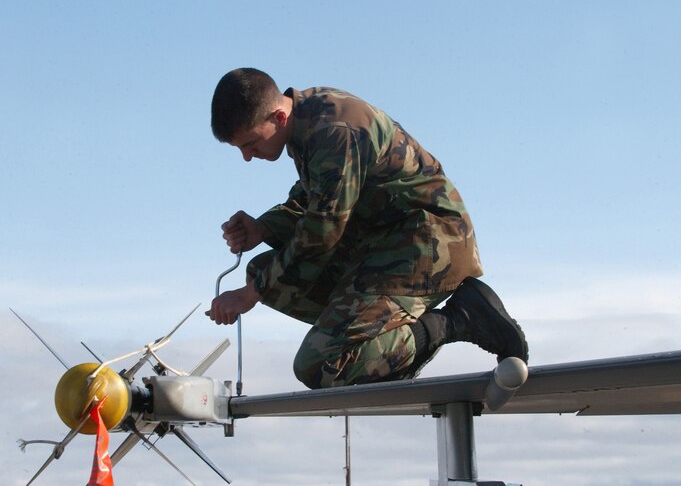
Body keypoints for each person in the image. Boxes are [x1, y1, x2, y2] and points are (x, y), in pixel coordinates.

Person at [207, 68, 528, 389]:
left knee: (319, 365)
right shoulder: (307, 118)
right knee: (263, 272)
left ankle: (459, 320)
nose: (247, 157)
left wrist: (250, 295)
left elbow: (320, 234)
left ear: (277, 117)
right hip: (387, 244)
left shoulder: (333, 131)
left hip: (428, 248)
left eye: (249, 143)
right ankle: (377, 340)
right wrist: (262, 228)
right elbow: (313, 201)